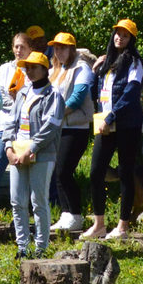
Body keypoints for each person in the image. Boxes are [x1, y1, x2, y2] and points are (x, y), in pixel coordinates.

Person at [1, 51, 61, 257]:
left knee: (38, 201)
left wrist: (32, 149)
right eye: (27, 67)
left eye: (34, 67)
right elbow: (10, 121)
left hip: (42, 155)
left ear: (45, 69)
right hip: (17, 153)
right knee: (17, 201)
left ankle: (41, 248)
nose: (30, 71)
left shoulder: (54, 95)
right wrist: (8, 146)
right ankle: (22, 247)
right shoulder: (22, 93)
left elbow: (50, 127)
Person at [89, 20, 143, 241]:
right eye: (117, 34)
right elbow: (97, 94)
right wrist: (95, 72)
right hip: (104, 124)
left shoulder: (135, 62)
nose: (119, 38)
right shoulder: (107, 62)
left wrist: (111, 116)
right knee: (95, 172)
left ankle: (122, 226)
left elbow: (131, 94)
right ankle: (99, 224)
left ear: (132, 40)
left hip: (127, 125)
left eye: (125, 35)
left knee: (125, 173)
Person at [45, 32, 95, 233]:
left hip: (76, 128)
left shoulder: (81, 68)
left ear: (72, 49)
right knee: (58, 172)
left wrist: (56, 114)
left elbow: (77, 97)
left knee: (64, 171)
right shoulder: (54, 70)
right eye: (57, 48)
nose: (59, 51)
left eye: (64, 47)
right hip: (59, 128)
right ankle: (66, 214)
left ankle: (76, 214)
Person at [0, 31, 33, 216]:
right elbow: (1, 95)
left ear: (30, 49)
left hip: (26, 130)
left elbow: (34, 98)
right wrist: (18, 103)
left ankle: (24, 213)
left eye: (23, 47)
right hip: (5, 128)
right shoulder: (4, 68)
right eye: (16, 46)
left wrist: (19, 101)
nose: (19, 50)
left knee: (24, 173)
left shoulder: (33, 69)